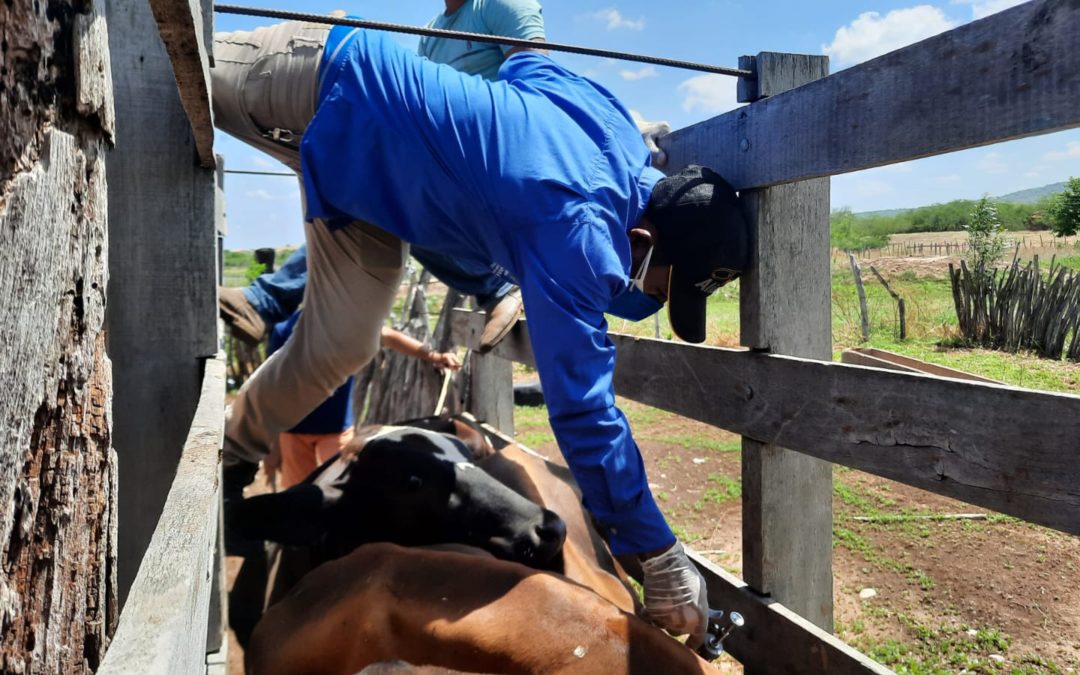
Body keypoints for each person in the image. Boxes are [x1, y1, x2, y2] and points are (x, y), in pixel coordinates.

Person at [213, 7, 750, 648]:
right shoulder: (574, 229)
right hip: (319, 76)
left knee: (344, 343)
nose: (651, 300)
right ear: (641, 237)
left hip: (369, 184)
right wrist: (656, 551)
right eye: (662, 286)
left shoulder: (616, 135)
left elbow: (525, 61)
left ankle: (230, 460)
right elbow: (583, 412)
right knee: (160, 71)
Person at [217, 0, 550, 350]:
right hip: (439, 156)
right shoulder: (434, 29)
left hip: (488, 161)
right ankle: (264, 302)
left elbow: (539, 88)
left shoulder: (500, 5)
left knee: (392, 189)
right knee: (360, 180)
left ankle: (499, 286)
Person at [263, 310, 461, 490]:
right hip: (296, 429)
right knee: (301, 493)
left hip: (333, 428)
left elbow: (389, 337)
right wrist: (271, 448)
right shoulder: (285, 331)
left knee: (342, 487)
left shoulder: (349, 324)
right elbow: (273, 386)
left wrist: (434, 356)